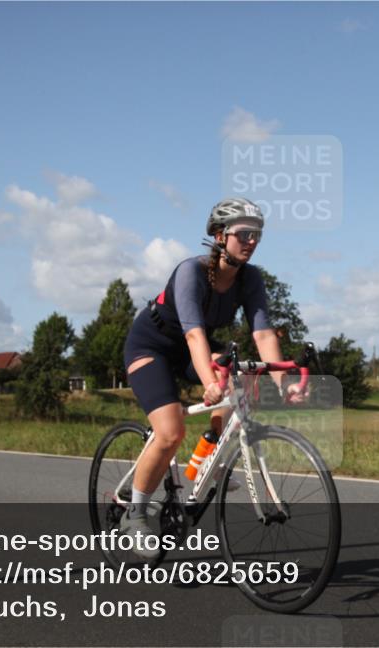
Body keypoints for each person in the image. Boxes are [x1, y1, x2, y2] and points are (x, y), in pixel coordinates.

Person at [119, 197, 304, 558]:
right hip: (152, 347)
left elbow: (263, 335)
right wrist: (210, 384)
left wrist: (285, 383)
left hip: (194, 348)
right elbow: (194, 335)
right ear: (220, 235)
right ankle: (134, 514)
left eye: (257, 234)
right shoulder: (191, 272)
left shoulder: (250, 278)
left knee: (243, 376)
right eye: (244, 233)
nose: (252, 241)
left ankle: (209, 460)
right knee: (170, 432)